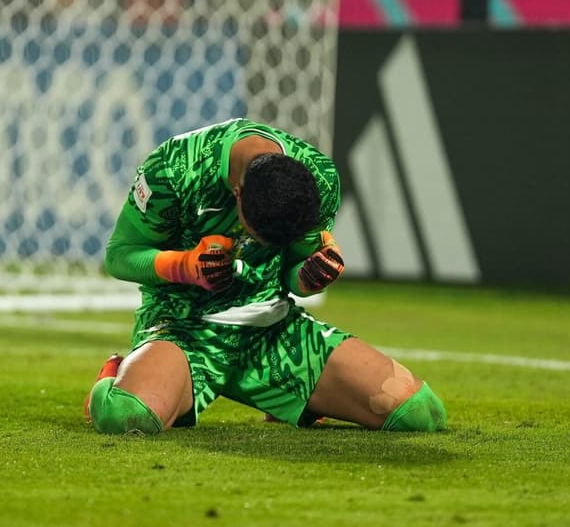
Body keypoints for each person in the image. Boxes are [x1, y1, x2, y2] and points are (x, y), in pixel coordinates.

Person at [84, 118, 447, 434]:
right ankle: (115, 375)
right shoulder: (177, 166)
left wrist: (308, 277)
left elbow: (293, 278)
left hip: (272, 330)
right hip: (182, 329)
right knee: (127, 417)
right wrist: (185, 266)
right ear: (237, 193)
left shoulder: (319, 176)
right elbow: (119, 256)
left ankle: (292, 394)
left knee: (418, 413)